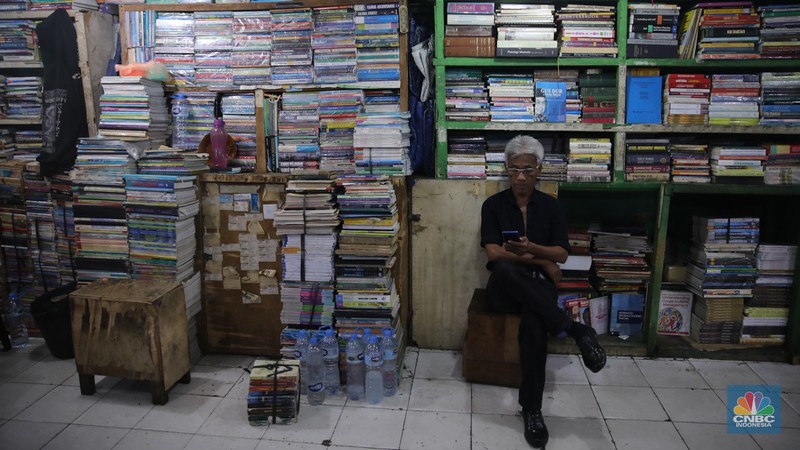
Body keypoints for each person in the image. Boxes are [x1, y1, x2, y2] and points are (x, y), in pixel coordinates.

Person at [480, 135, 606, 449]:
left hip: (538, 288)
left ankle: (532, 410)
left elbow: (562, 255)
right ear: (506, 169)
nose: (520, 177)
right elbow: (494, 254)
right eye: (514, 169)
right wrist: (540, 259)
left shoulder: (551, 207)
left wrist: (532, 249)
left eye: (528, 169)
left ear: (539, 169)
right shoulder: (493, 205)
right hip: (504, 289)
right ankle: (575, 328)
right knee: (507, 269)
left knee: (536, 322)